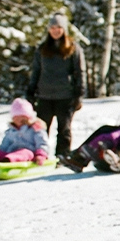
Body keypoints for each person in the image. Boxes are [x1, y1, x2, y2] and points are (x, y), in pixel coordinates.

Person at [26, 13, 86, 157]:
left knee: (64, 129)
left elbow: (80, 72)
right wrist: (30, 92)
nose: (55, 30)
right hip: (44, 96)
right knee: (41, 129)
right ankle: (41, 154)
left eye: (58, 27)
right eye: (52, 27)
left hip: (65, 95)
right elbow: (36, 72)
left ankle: (62, 155)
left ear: (64, 29)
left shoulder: (73, 48)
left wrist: (79, 95)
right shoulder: (42, 49)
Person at [0, 98, 52, 164]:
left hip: (29, 154)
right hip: (9, 153)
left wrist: (41, 155)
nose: (19, 120)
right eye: (16, 117)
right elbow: (4, 145)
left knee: (24, 152)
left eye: (22, 118)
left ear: (28, 117)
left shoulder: (35, 128)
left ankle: (7, 161)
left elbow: (42, 143)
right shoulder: (11, 130)